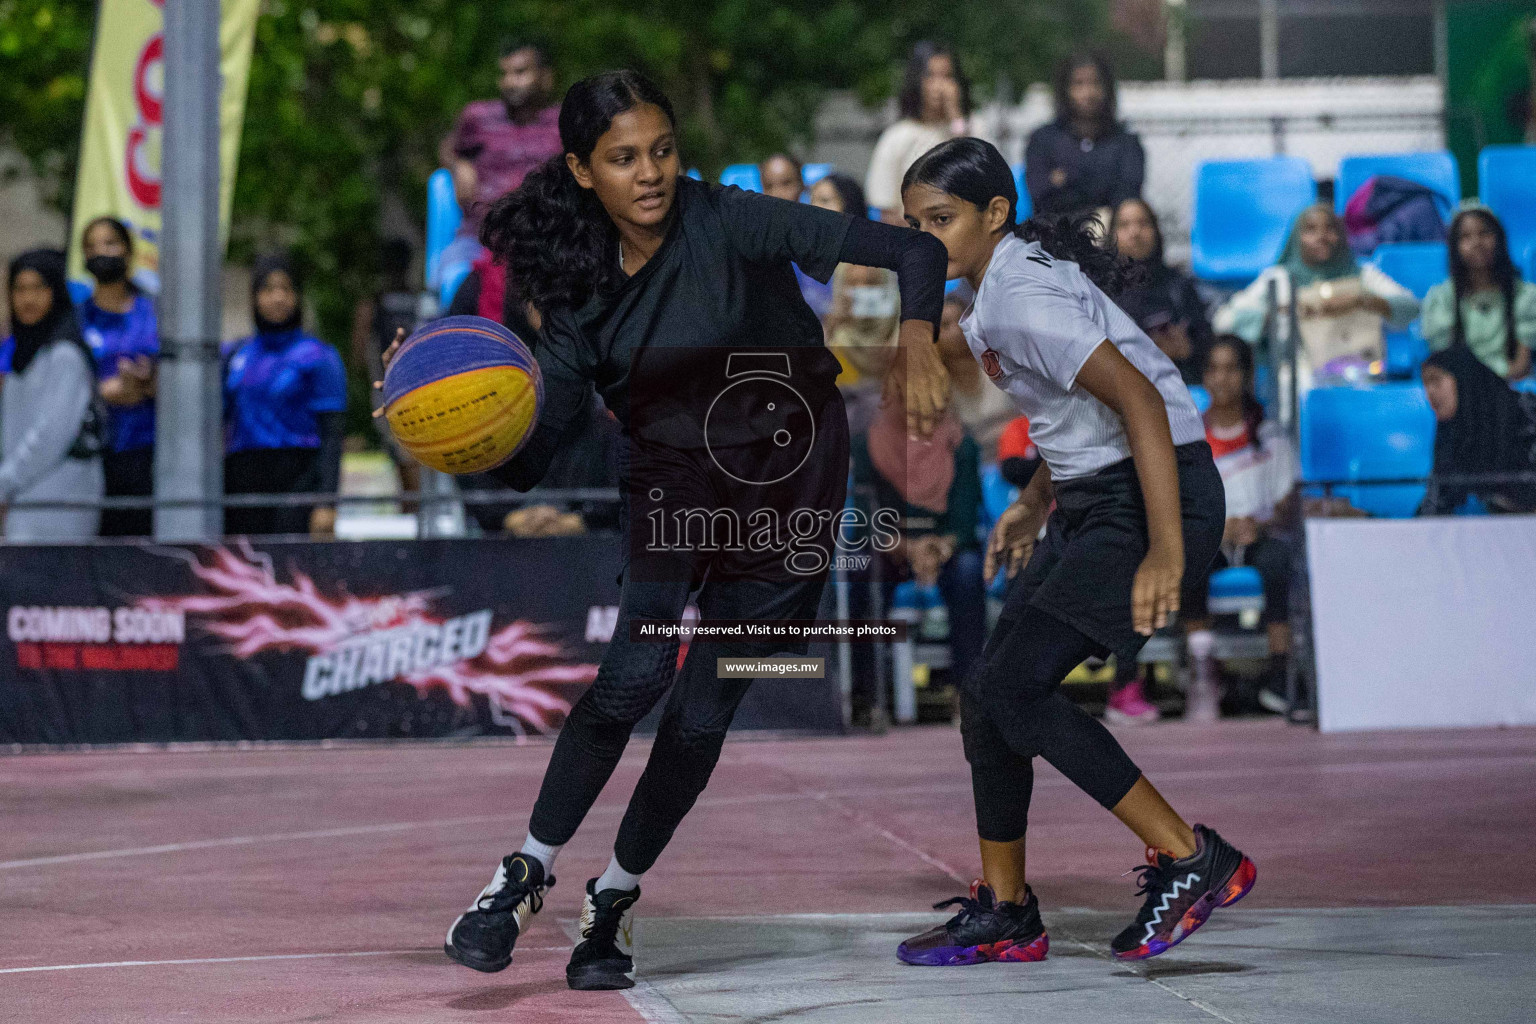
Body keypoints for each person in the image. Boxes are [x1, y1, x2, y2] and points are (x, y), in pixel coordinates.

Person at [380, 70, 949, 992]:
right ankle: (520, 876)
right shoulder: (578, 295)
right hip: (676, 484)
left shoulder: (731, 217)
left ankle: (615, 901)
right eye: (622, 158)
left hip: (795, 481)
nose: (649, 173)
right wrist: (433, 424)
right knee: (631, 679)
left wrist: (918, 344)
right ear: (580, 170)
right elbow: (527, 458)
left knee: (702, 713)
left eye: (661, 150)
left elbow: (916, 255)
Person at [894, 137, 1254, 967]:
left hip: (1150, 494)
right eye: (912, 224)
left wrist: (1167, 550)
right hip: (1097, 495)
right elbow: (1075, 418)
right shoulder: (1001, 282)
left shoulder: (1018, 296)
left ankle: (1192, 857)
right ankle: (1009, 912)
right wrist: (1030, 503)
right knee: (988, 697)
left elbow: (1138, 402)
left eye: (940, 220)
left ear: (993, 215)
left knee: (1013, 688)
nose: (923, 239)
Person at [1185, 336, 1300, 715]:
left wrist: (1261, 527)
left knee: (1278, 562)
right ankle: (1203, 676)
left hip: (1259, 536)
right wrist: (1215, 530)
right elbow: (1182, 506)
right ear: (1204, 377)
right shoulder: (1190, 440)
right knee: (1188, 564)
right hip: (1211, 539)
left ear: (1247, 376)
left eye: (1232, 368)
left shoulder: (1270, 437)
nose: (1223, 378)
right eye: (1214, 369)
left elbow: (1287, 502)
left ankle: (1280, 676)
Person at [1214, 203, 1418, 386]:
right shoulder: (1280, 279)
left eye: (1330, 229)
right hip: (1301, 388)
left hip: (1363, 382)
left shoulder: (1364, 275)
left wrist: (1361, 301)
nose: (1321, 236)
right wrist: (1280, 313)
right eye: (1311, 230)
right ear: (1296, 238)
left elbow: (1412, 308)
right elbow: (1224, 321)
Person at [223, 255, 347, 537]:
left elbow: (332, 434)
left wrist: (327, 501)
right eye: (267, 289)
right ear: (254, 297)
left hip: (299, 481)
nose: (277, 297)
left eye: (286, 288)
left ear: (297, 296)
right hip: (243, 483)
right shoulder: (234, 354)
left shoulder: (319, 356)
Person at [436, 39, 562, 285]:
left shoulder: (562, 122)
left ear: (546, 77)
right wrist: (457, 165)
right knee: (457, 287)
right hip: (479, 238)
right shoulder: (478, 117)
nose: (510, 82)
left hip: (546, 240)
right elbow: (447, 149)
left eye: (520, 72)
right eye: (504, 74)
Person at [1, 250, 103, 542]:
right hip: (26, 498)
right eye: (19, 289)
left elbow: (50, 434)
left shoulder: (64, 354)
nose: (28, 299)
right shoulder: (24, 352)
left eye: (39, 288)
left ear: (55, 292)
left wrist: (5, 482)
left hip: (61, 501)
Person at [79, 216, 158, 537]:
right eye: (91, 246)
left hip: (147, 456)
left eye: (110, 243)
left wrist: (149, 382)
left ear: (128, 252)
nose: (101, 252)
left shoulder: (154, 313)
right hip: (91, 457)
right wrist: (106, 392)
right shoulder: (75, 319)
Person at [814, 173, 900, 430]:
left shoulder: (870, 251)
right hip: (844, 358)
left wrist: (898, 336)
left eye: (826, 200)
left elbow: (890, 309)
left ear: (847, 203)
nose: (816, 208)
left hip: (879, 359)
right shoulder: (813, 256)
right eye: (814, 200)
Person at [1418, 343, 1536, 516]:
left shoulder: (1525, 412)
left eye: (1435, 380)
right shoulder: (1450, 435)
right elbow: (1437, 505)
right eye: (1425, 384)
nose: (1430, 393)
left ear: (1463, 378)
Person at [1421, 206, 1536, 380]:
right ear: (1454, 246)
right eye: (1466, 237)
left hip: (1511, 388)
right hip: (1462, 391)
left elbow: (1522, 366)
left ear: (1500, 239)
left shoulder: (1525, 295)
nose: (1476, 243)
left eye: (1484, 233)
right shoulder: (1442, 298)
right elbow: (1443, 362)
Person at [1025, 53, 1144, 220]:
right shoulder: (1043, 140)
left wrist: (1065, 178)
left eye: (1096, 83)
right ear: (1065, 89)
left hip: (1109, 234)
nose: (1088, 93)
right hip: (1054, 233)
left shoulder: (1126, 143)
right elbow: (1040, 192)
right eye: (1078, 84)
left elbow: (1127, 197)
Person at [866, 41, 972, 223]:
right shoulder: (897, 136)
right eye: (930, 76)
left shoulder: (971, 129)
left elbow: (973, 167)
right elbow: (887, 210)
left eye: (946, 76)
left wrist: (955, 116)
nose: (939, 86)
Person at [1111, 198, 1213, 385]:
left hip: (1177, 384)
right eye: (1124, 225)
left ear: (1156, 231)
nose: (1135, 233)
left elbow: (1207, 346)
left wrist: (1186, 349)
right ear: (1112, 234)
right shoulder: (1102, 291)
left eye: (1143, 223)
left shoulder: (1179, 287)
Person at [353, 237, 422, 497]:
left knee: (403, 454)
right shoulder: (418, 299)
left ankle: (412, 506)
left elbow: (359, 349)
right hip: (418, 385)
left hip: (390, 388)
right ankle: (413, 506)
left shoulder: (375, 302)